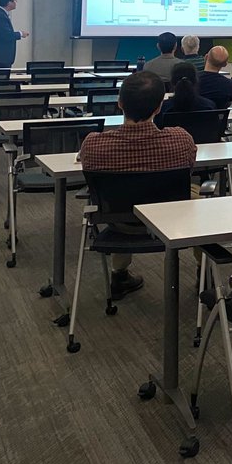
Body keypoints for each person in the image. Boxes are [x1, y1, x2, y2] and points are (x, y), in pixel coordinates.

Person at [79, 71, 197, 299]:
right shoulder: (181, 139)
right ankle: (205, 273)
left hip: (118, 222)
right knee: (200, 201)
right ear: (158, 107)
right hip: (171, 220)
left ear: (120, 103)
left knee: (121, 196)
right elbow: (190, 168)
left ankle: (119, 274)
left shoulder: (93, 144)